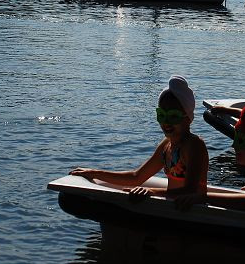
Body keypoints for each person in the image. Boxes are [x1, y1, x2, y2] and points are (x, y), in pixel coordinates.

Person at [70, 76, 208, 198]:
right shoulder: (167, 145)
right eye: (161, 115)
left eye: (173, 116)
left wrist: (153, 192)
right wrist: (94, 173)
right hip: (173, 207)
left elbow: (191, 190)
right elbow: (136, 177)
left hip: (193, 211)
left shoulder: (194, 146)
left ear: (188, 118)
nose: (166, 122)